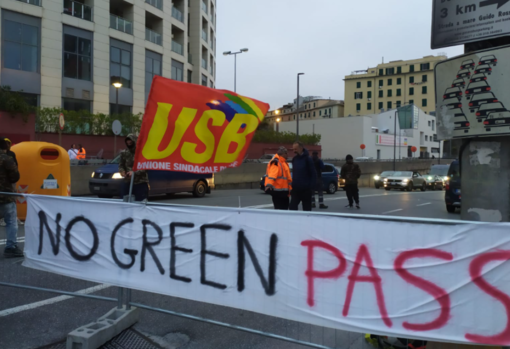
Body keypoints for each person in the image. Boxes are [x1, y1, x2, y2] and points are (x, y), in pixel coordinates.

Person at [0, 138, 23, 258]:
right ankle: (11, 247)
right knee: (11, 221)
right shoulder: (7, 159)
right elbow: (15, 177)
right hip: (5, 196)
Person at [119, 134, 149, 202]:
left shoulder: (142, 152)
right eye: (127, 143)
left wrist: (134, 173)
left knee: (141, 202)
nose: (129, 145)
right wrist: (122, 172)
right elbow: (121, 165)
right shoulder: (124, 153)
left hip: (140, 182)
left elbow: (145, 167)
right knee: (124, 200)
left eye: (131, 143)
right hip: (128, 181)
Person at [289, 141, 316, 212]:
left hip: (306, 190)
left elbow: (313, 173)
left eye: (295, 149)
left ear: (301, 148)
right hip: (296, 189)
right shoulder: (294, 159)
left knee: (306, 210)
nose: (294, 151)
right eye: (293, 149)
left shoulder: (308, 159)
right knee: (292, 208)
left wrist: (310, 187)